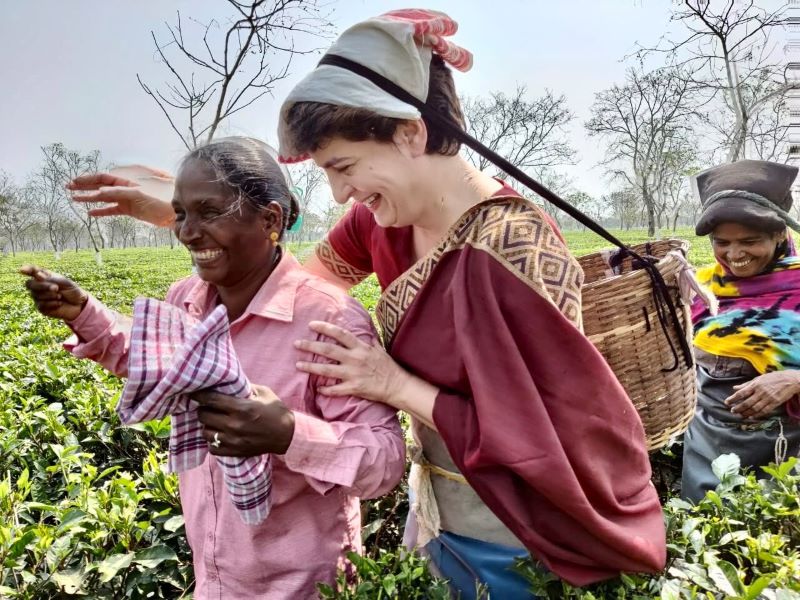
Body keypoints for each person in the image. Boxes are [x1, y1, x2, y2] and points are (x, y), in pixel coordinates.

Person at [69, 10, 667, 596]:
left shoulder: (517, 246)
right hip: (437, 504)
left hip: (518, 525)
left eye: (344, 166)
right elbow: (287, 290)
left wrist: (394, 385)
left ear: (410, 131)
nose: (338, 193)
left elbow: (551, 431)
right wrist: (200, 220)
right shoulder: (378, 222)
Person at [23, 137, 405, 599]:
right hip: (215, 575)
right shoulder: (185, 297)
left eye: (209, 212)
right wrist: (81, 311)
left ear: (270, 219)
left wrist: (288, 435)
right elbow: (156, 363)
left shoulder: (327, 319)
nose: (187, 231)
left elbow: (384, 462)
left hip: (303, 585)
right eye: (181, 213)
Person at [682, 159, 800, 502]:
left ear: (779, 234)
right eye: (722, 243)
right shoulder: (701, 288)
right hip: (708, 451)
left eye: (749, 241)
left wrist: (793, 380)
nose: (735, 255)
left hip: (789, 452)